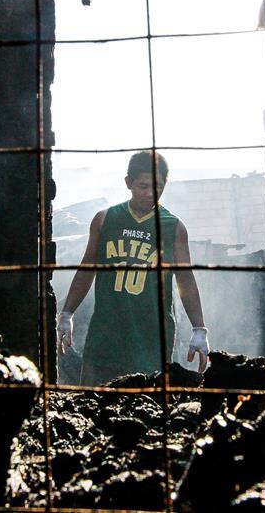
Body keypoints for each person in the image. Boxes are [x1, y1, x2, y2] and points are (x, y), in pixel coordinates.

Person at [57, 151, 210, 385]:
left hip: (151, 341)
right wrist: (67, 313)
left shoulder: (173, 227)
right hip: (106, 336)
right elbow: (87, 269)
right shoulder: (105, 219)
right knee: (91, 406)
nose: (150, 193)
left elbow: (185, 280)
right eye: (143, 186)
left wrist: (199, 329)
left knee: (147, 411)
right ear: (128, 183)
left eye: (157, 187)